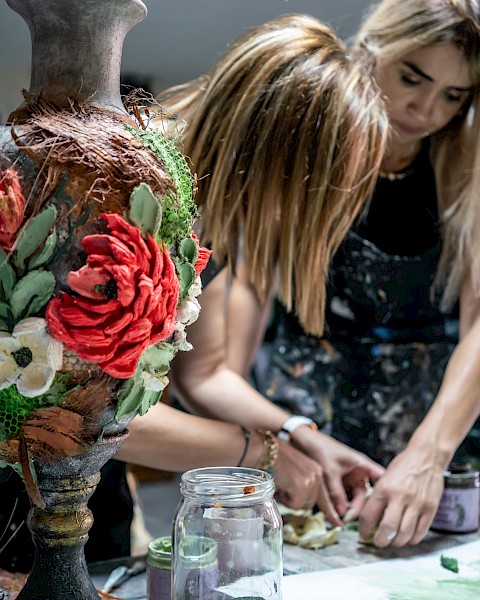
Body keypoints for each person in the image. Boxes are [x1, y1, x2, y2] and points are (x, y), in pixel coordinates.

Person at [0, 14, 388, 572]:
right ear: (275, 152)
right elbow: (71, 407)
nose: (305, 216)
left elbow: (202, 372)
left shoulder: (218, 214)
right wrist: (259, 455)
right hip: (23, 504)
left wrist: (299, 435)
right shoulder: (118, 189)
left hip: (93, 505)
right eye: (316, 191)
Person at [253, 0, 480, 548]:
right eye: (412, 78)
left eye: (454, 95)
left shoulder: (466, 165)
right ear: (373, 48)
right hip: (312, 432)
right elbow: (215, 362)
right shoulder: (304, 149)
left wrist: (430, 453)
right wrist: (274, 440)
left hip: (434, 431)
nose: (425, 109)